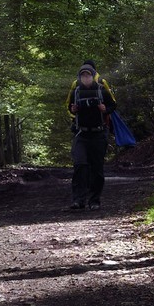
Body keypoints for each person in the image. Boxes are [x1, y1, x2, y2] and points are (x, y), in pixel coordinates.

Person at [65, 60, 116, 210]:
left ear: (92, 76)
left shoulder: (102, 89)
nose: (85, 78)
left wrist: (104, 109)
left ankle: (94, 200)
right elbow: (69, 107)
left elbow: (113, 105)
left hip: (98, 133)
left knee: (97, 169)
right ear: (79, 78)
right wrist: (73, 110)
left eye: (88, 75)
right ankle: (78, 200)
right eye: (83, 76)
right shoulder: (76, 91)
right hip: (81, 133)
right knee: (80, 165)